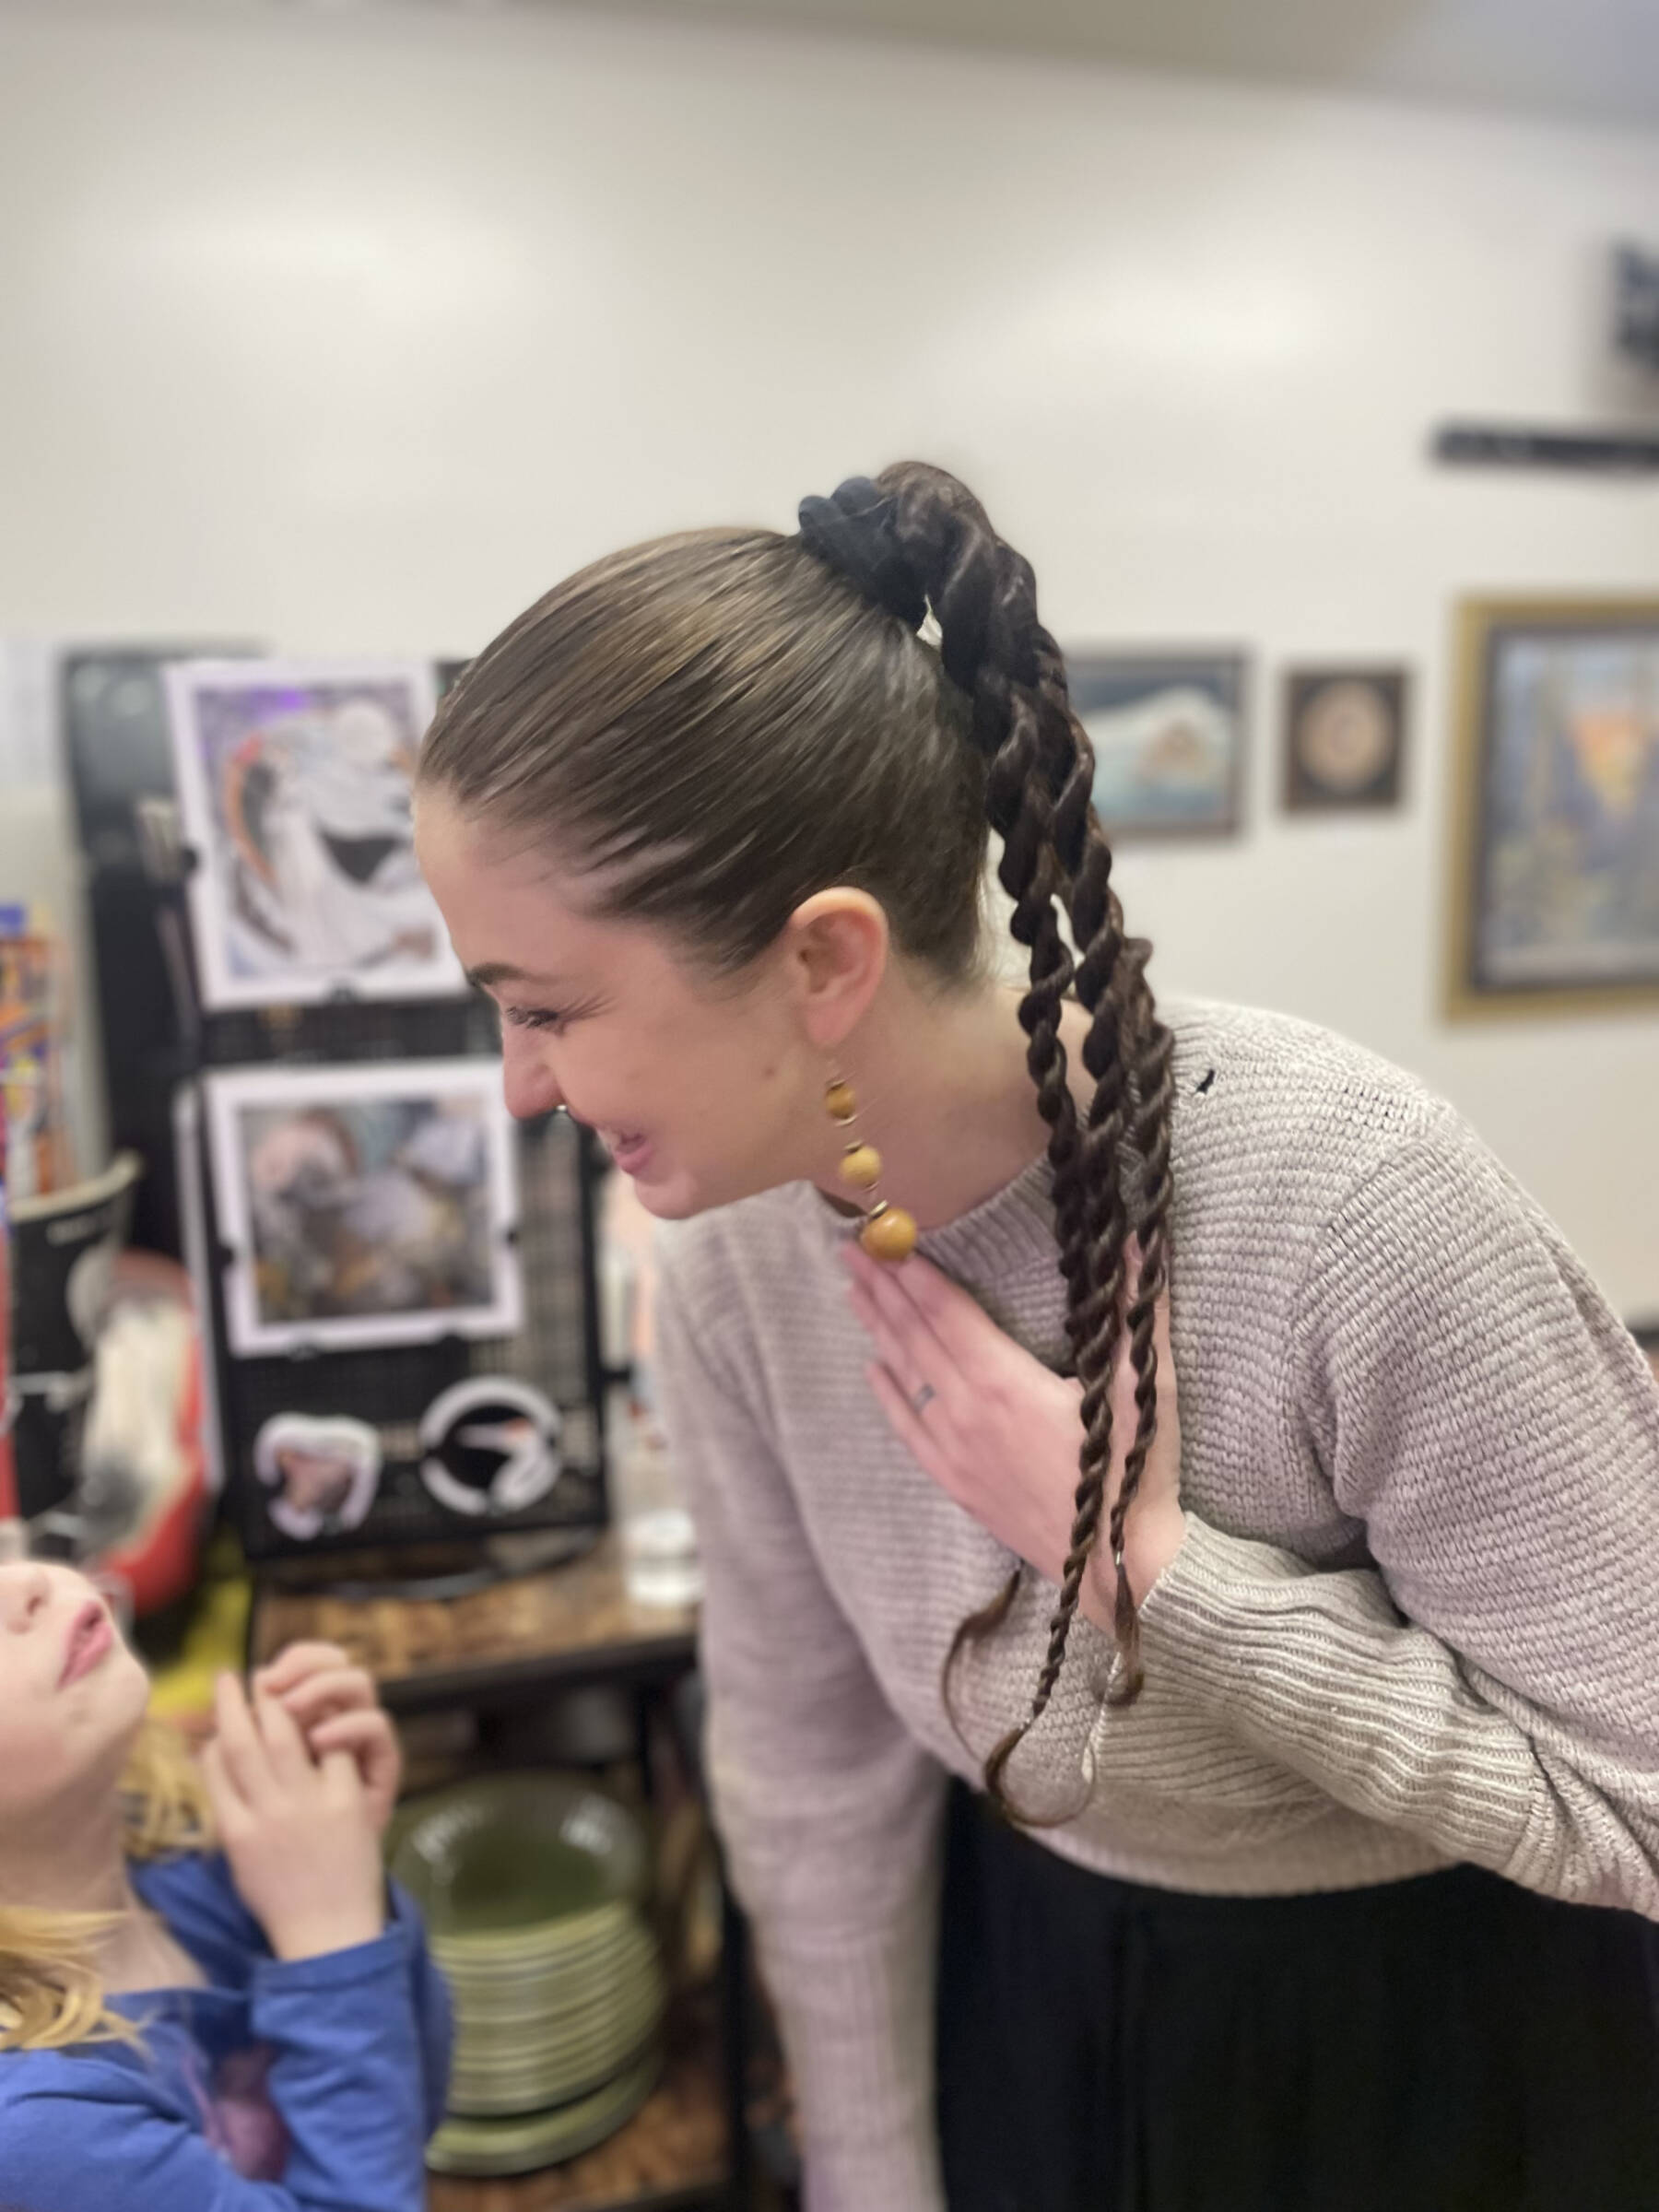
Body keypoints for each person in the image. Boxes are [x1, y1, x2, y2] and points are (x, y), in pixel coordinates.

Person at [413, 463, 1659, 2212]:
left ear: (822, 958)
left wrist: (1151, 1568)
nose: (521, 1085)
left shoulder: (1343, 1203)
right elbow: (809, 1776)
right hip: (1023, 1982)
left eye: (549, 1010)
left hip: (1425, 2030)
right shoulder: (731, 1264)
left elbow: (1638, 1799)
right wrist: (868, 2172)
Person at [0, 1561, 451, 2209]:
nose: (24, 1585)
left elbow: (410, 2110)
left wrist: (338, 1867)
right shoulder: (31, 2138)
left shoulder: (163, 1837)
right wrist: (333, 1937)